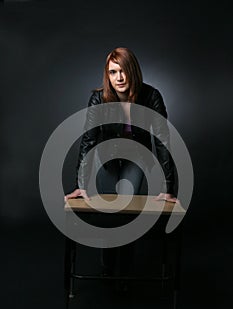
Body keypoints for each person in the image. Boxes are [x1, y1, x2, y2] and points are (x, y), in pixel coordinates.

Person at [64, 47, 178, 289]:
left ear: (133, 71)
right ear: (107, 75)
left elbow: (162, 141)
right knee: (110, 212)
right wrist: (81, 185)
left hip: (136, 160)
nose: (119, 77)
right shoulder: (98, 98)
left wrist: (168, 186)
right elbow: (88, 140)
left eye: (124, 70)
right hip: (106, 161)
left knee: (126, 212)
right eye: (113, 72)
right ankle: (107, 269)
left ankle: (124, 272)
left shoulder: (151, 96)